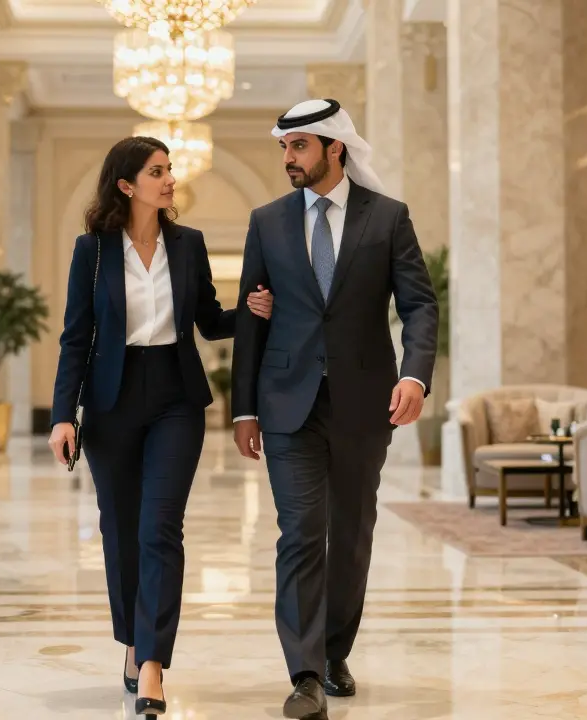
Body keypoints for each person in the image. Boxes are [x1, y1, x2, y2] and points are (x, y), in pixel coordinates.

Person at [48, 136, 275, 717]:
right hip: (110, 403)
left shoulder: (189, 244)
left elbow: (207, 319)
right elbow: (76, 337)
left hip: (176, 398)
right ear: (127, 185)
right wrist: (61, 417)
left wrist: (249, 314)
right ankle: (131, 640)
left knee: (160, 528)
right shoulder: (92, 251)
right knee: (120, 530)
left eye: (170, 169)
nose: (170, 179)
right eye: (158, 171)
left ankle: (151, 663)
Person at [230, 99, 439, 720]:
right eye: (284, 149)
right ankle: (305, 674)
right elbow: (251, 316)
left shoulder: (389, 218)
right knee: (299, 532)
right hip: (287, 402)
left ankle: (335, 650)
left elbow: (420, 306)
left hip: (363, 404)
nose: (288, 159)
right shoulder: (266, 221)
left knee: (350, 534)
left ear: (334, 148)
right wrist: (243, 408)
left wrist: (416, 377)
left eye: (298, 147)